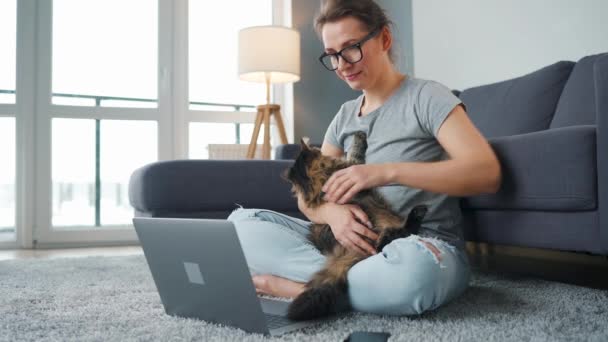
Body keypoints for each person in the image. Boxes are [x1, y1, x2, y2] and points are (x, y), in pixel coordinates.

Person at [228, 0, 501, 316]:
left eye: (351, 48)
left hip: (416, 247)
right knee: (240, 224)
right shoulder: (344, 116)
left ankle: (300, 288)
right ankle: (340, 284)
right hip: (341, 249)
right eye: (332, 55)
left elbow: (486, 173)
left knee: (412, 278)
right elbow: (307, 199)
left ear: (384, 39)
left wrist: (383, 173)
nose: (342, 64)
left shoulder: (427, 96)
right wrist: (333, 215)